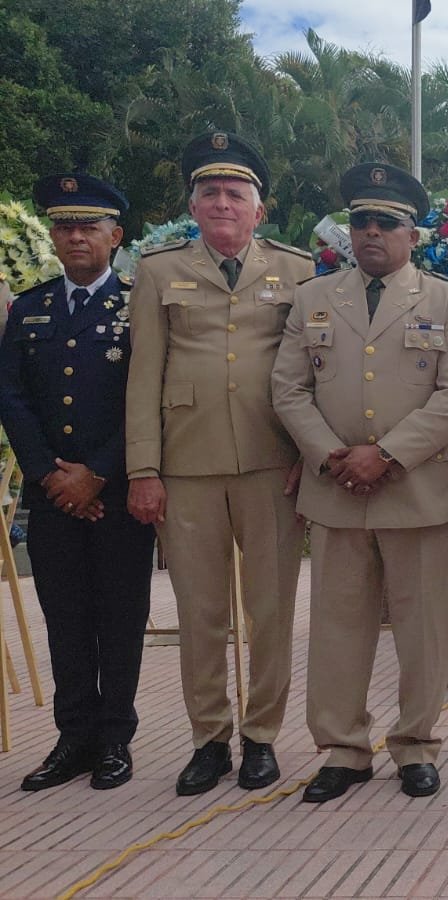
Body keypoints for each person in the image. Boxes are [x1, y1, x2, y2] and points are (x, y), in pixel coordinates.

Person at [270, 163, 448, 802]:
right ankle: (343, 750)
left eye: (386, 222)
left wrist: (386, 454)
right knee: (337, 627)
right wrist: (331, 455)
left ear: (412, 235)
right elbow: (288, 388)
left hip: (418, 491)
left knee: (422, 629)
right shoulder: (313, 297)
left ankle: (416, 746)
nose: (371, 232)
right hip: (337, 489)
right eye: (361, 220)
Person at [124, 132, 312, 796]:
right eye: (210, 193)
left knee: (271, 610)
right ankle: (209, 739)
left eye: (235, 193)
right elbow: (143, 375)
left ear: (259, 209)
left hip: (272, 461)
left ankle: (262, 736)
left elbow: (314, 372)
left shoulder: (297, 271)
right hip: (187, 465)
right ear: (193, 207)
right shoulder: (157, 271)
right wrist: (143, 470)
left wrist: (310, 455)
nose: (222, 203)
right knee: (200, 613)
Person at [0, 174, 155, 791]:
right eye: (63, 227)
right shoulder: (29, 307)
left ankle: (115, 738)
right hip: (52, 494)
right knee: (63, 616)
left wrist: (97, 473)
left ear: (116, 236)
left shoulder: (138, 306)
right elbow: (12, 396)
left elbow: (149, 396)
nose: (74, 237)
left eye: (88, 226)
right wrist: (48, 474)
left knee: (120, 615)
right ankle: (73, 738)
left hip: (117, 491)